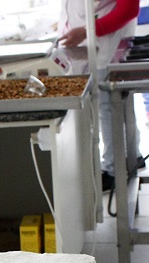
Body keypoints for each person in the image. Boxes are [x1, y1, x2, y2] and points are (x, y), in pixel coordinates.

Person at [58, 0, 142, 192]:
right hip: (86, 38)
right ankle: (131, 155)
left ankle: (114, 171)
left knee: (107, 104)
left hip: (105, 39)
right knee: (115, 103)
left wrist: (89, 30)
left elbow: (129, 9)